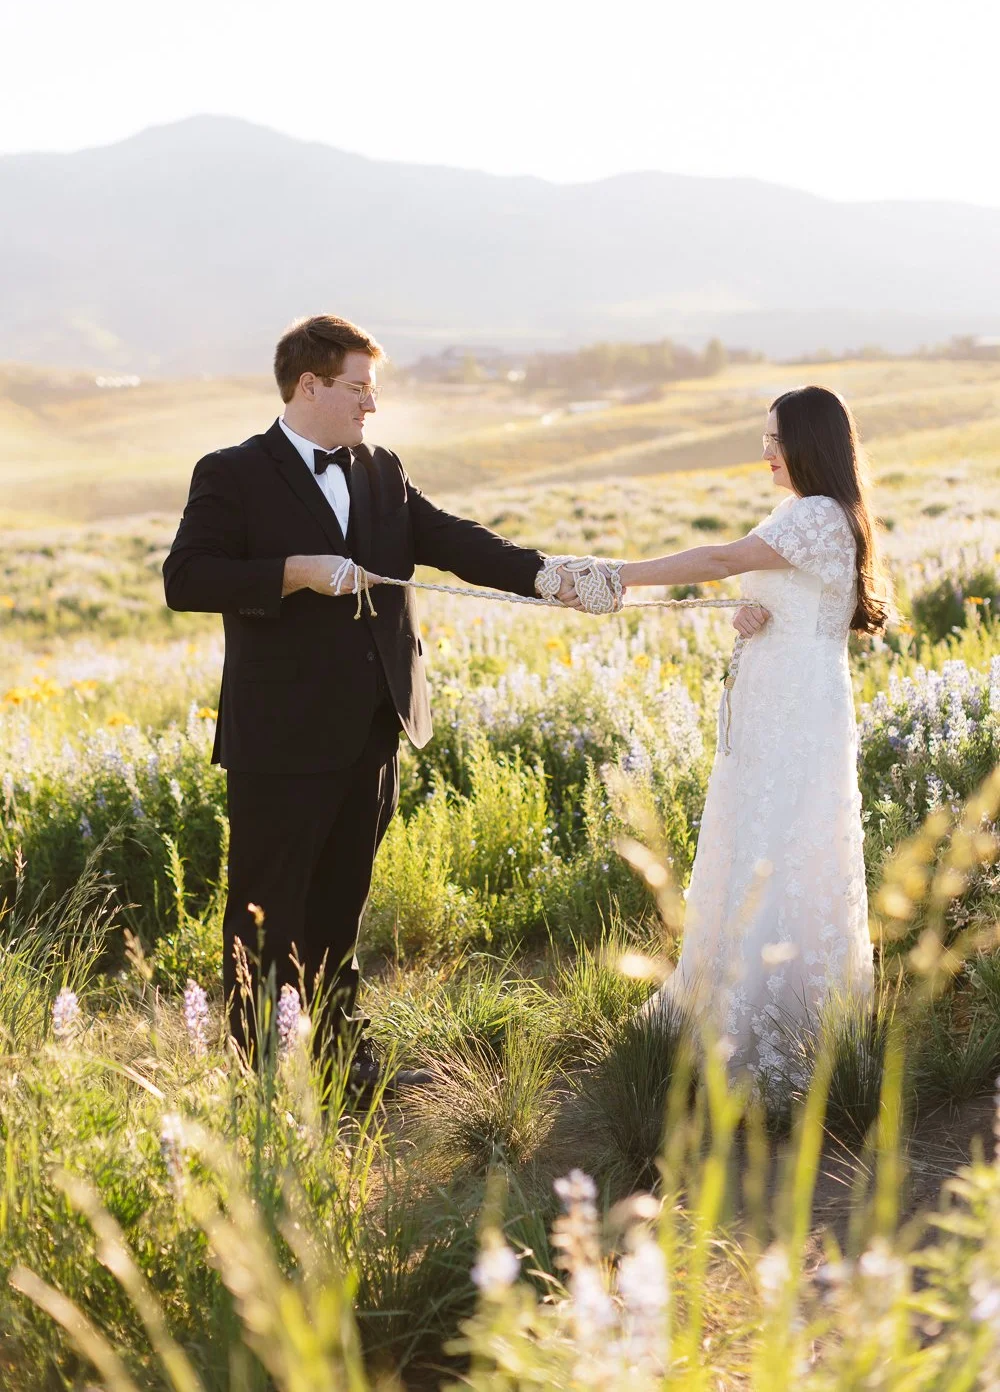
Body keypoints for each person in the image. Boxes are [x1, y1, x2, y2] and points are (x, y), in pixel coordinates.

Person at [163, 314, 577, 1090]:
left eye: (372, 391)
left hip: (372, 730)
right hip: (281, 741)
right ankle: (260, 1080)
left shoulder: (381, 468)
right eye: (359, 389)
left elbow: (453, 541)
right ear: (309, 386)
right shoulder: (231, 472)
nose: (370, 407)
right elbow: (185, 578)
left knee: (340, 911)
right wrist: (296, 571)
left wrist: (548, 576)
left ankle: (342, 1062)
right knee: (265, 914)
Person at [614, 385, 889, 1079]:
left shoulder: (821, 515)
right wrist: (751, 613)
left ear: (810, 443)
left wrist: (618, 576)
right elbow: (777, 589)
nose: (765, 451)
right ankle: (730, 999)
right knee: (755, 840)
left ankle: (780, 1025)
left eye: (776, 439)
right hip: (774, 704)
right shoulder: (803, 511)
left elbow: (719, 561)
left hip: (798, 708)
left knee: (788, 846)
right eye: (765, 437)